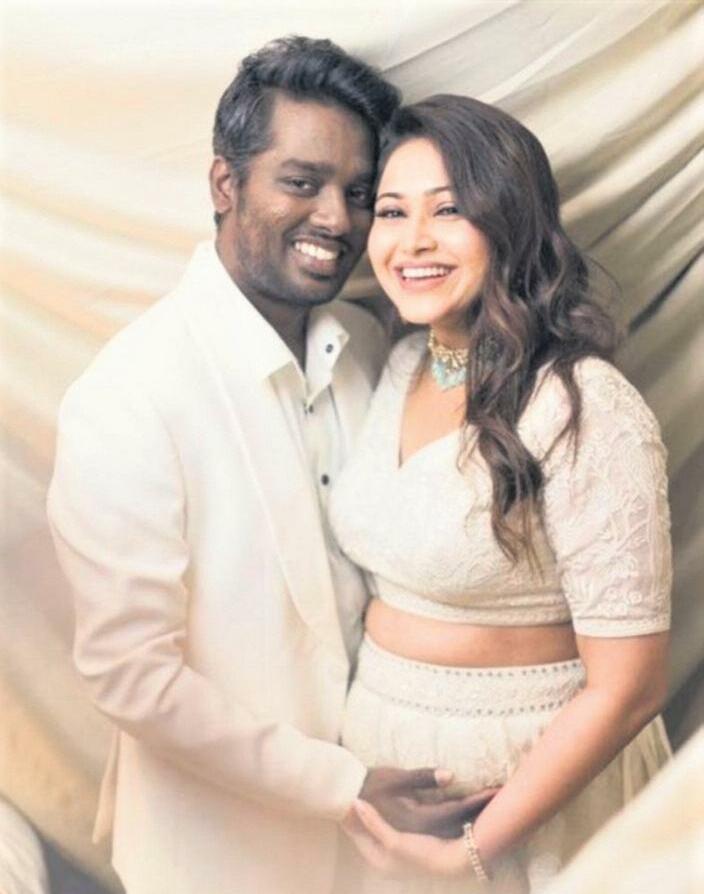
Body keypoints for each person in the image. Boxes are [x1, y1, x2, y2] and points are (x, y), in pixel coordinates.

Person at [47, 41, 487, 894]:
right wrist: (341, 785)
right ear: (226, 184)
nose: (337, 219)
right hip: (219, 855)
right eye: (301, 182)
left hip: (392, 851)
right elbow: (131, 677)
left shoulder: (373, 345)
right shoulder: (128, 392)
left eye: (357, 192)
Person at [330, 94, 673, 893]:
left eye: (448, 210)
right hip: (383, 770)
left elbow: (629, 688)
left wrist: (473, 851)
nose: (413, 240)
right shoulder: (400, 365)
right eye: (392, 211)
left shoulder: (585, 406)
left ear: (509, 221)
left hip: (523, 792)